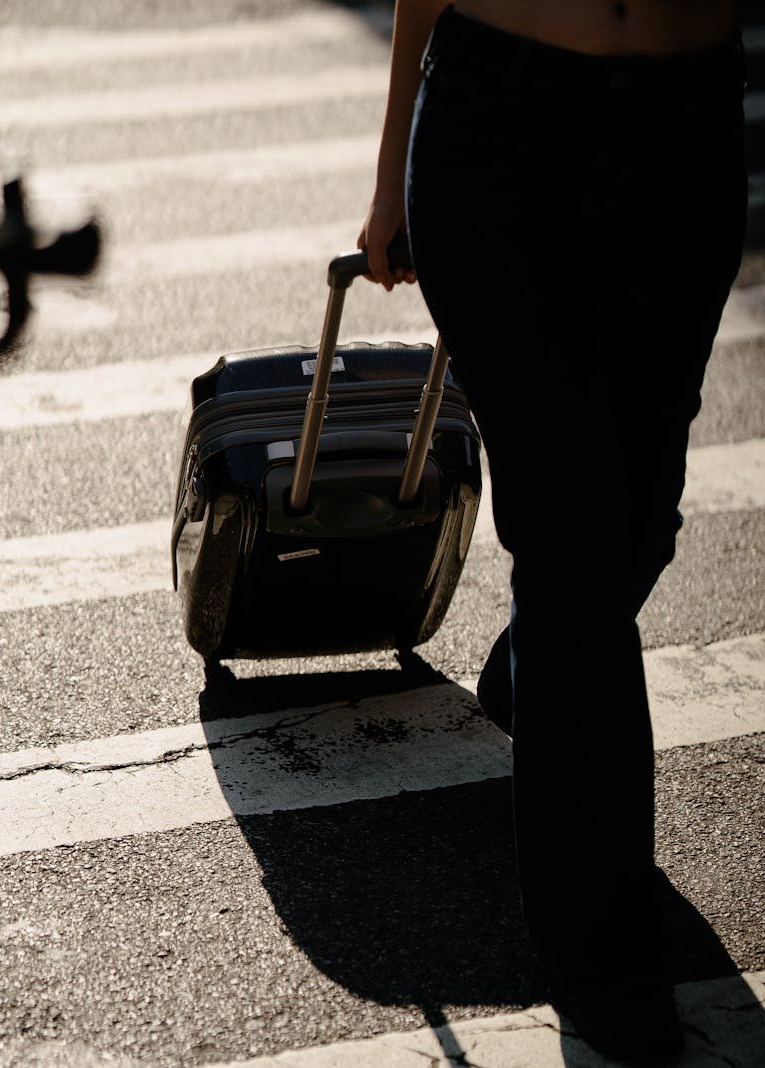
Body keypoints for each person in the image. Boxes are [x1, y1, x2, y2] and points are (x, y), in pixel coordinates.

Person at [358, 1, 747, 1062]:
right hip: (499, 128)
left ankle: (539, 675)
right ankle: (607, 968)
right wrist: (390, 168)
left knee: (640, 516)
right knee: (574, 547)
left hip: (682, 122)